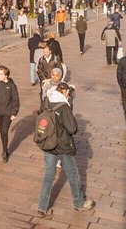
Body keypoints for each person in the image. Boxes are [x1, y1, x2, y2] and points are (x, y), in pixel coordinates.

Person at [35, 82, 96, 217]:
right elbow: (72, 128)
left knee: (48, 176)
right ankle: (79, 203)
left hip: (48, 143)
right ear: (65, 92)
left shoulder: (46, 100)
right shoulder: (63, 106)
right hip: (63, 145)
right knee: (73, 175)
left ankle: (42, 208)